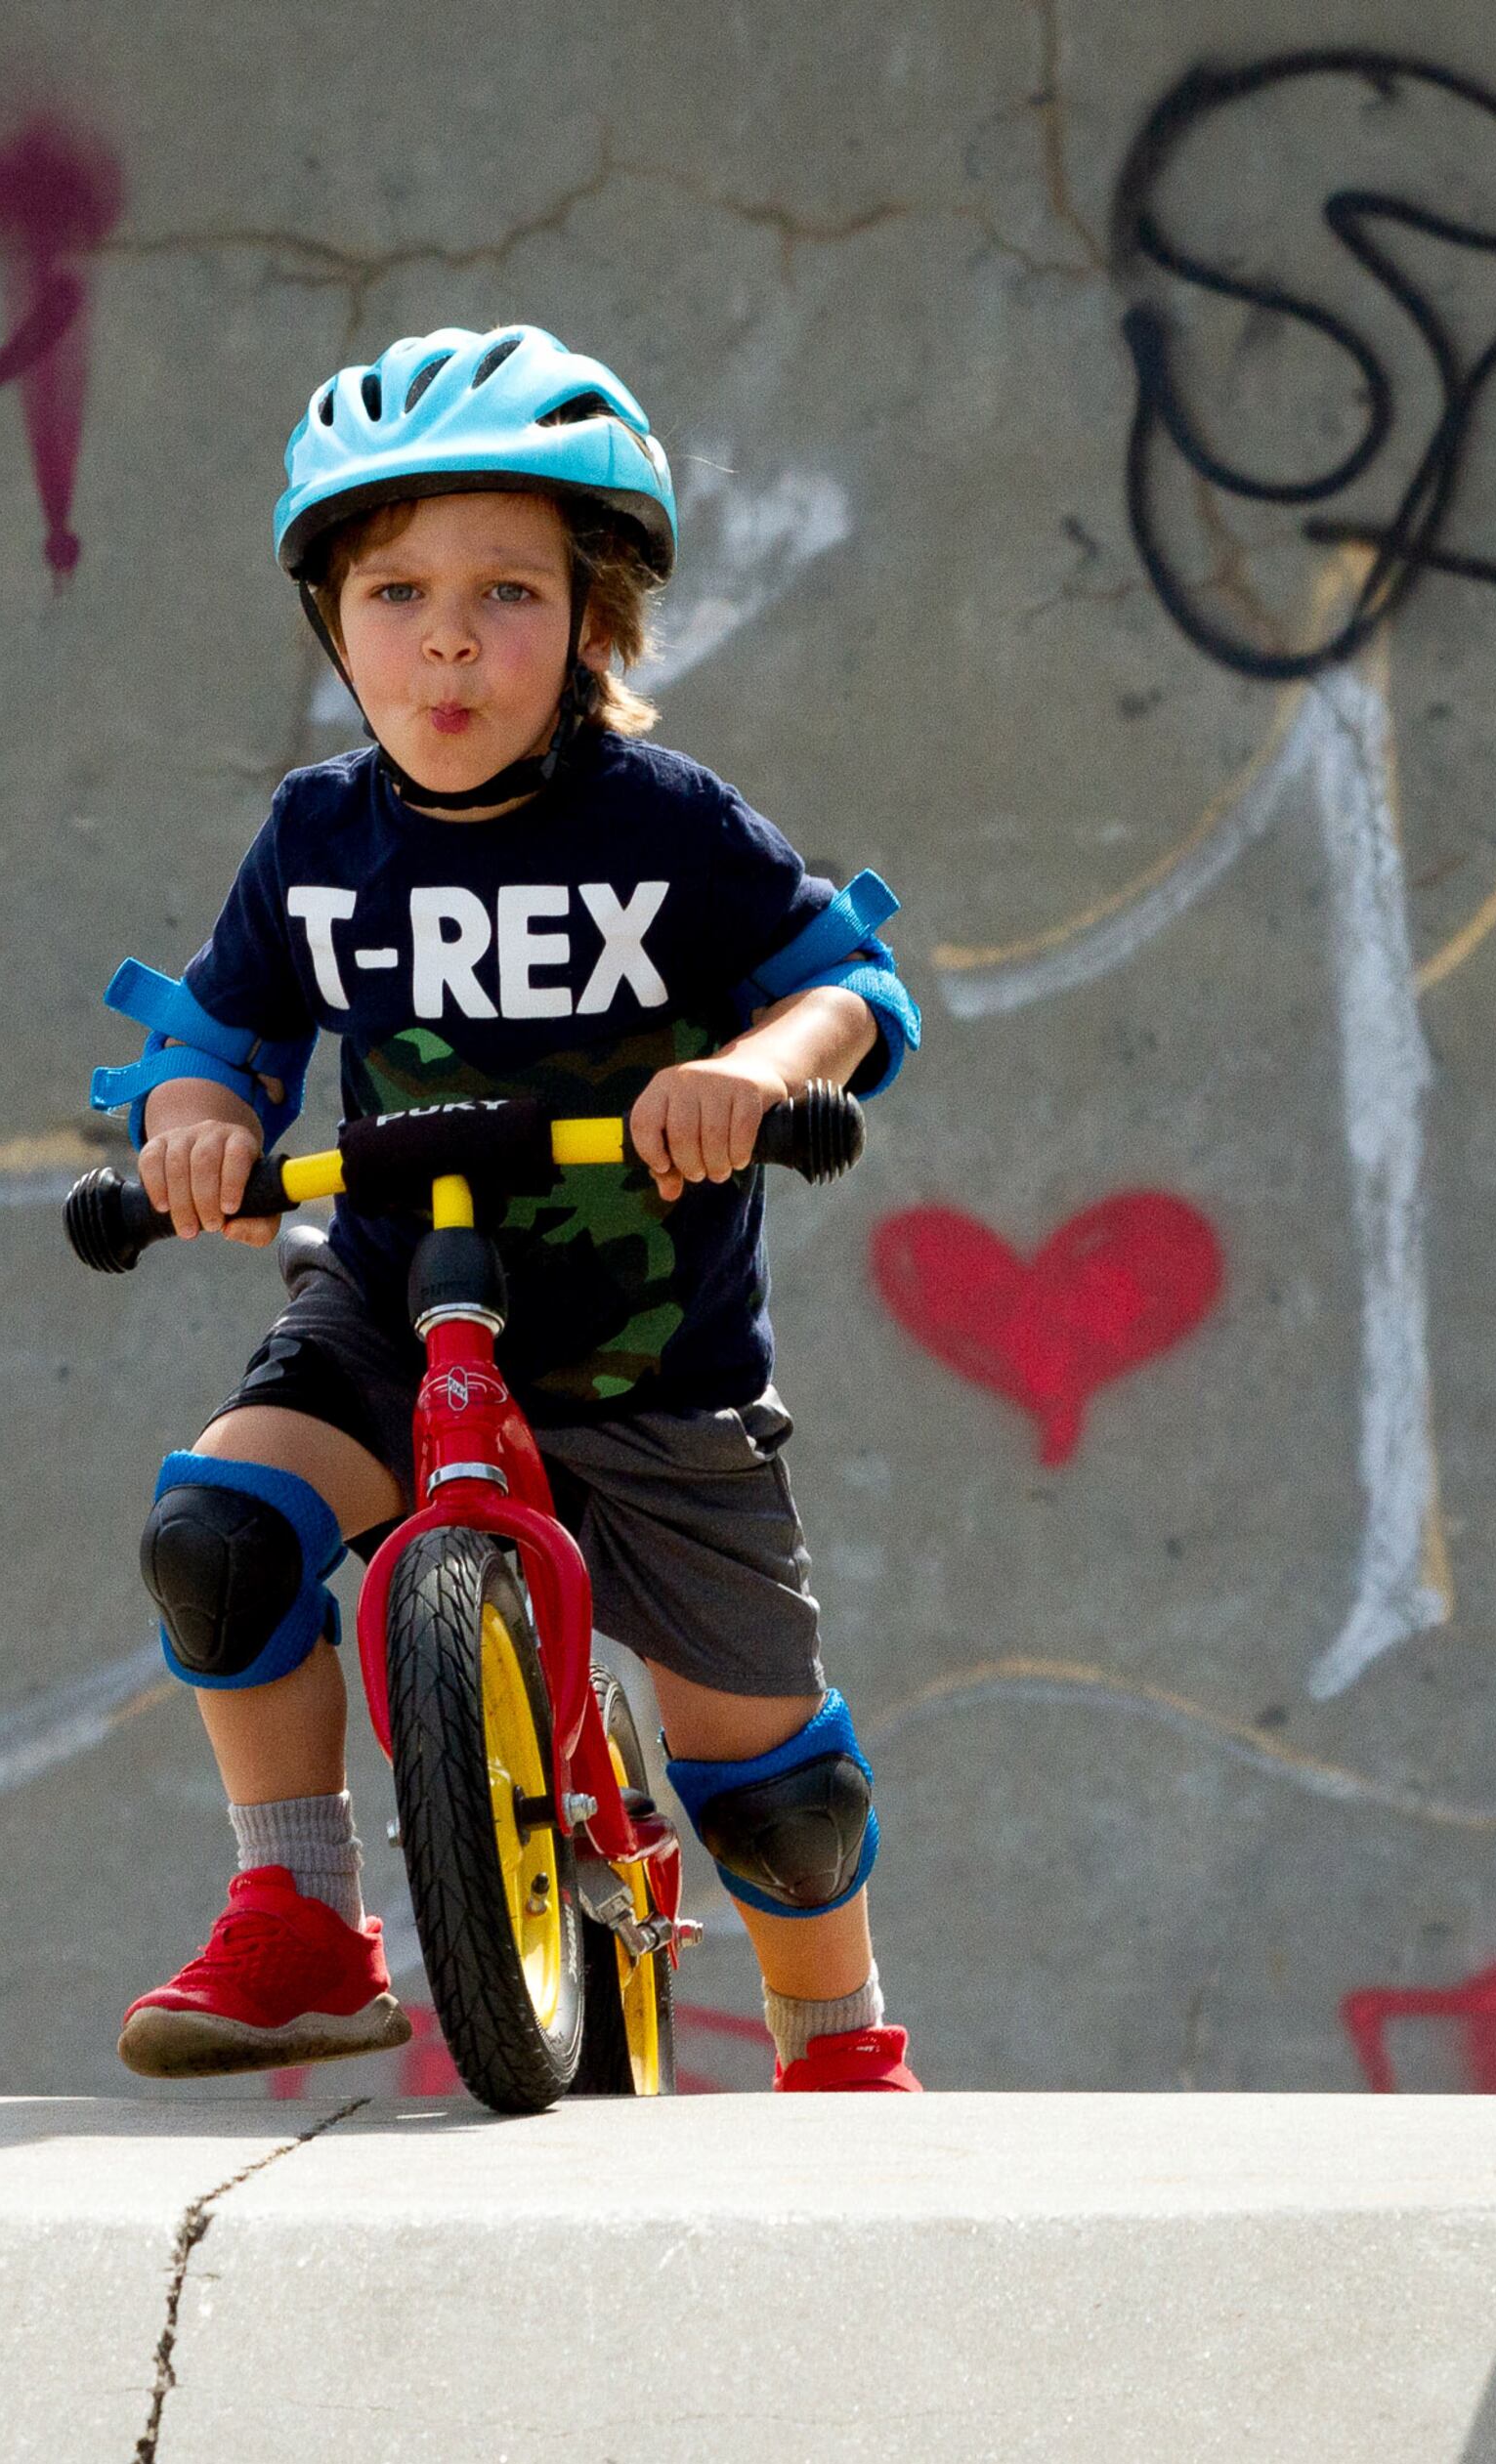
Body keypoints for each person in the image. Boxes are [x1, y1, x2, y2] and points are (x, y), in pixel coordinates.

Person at [93, 325, 926, 2093]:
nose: (449, 637)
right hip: (400, 1311)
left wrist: (760, 1074)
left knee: (774, 1793)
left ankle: (837, 2042)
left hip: (647, 1360)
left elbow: (850, 985)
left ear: (597, 615)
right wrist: (191, 1129)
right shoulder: (318, 837)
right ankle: (305, 1916)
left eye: (507, 591)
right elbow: (218, 1033)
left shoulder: (669, 823)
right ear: (335, 623)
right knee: (219, 1535)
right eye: (393, 591)